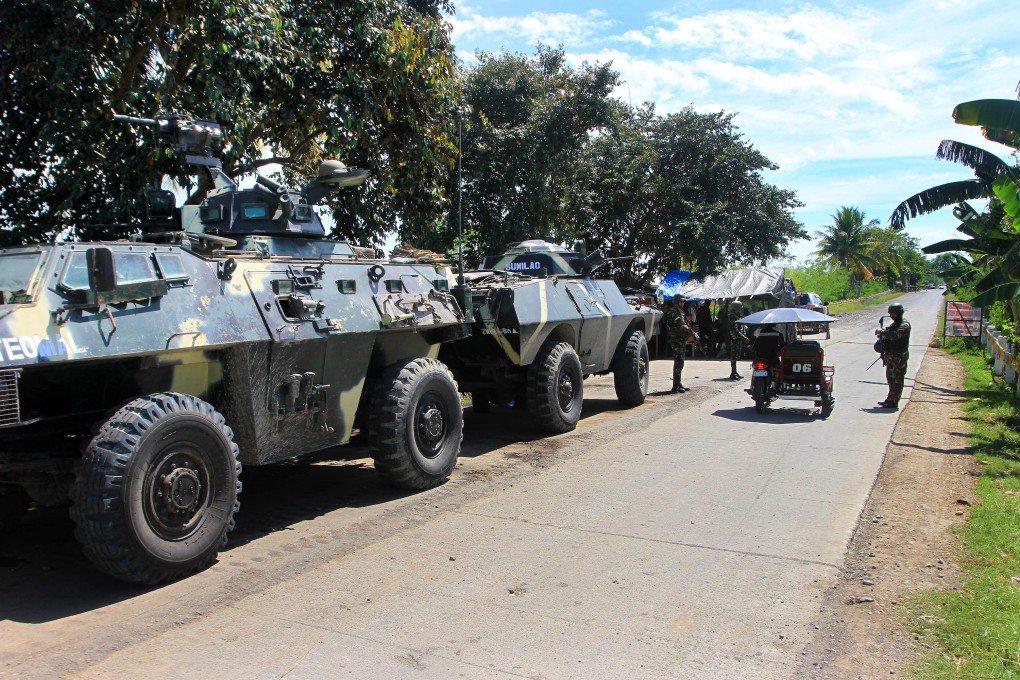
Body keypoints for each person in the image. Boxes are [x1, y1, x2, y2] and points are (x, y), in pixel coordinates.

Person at [876, 303, 911, 409]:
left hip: (899, 357)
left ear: (899, 313)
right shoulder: (894, 324)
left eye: (893, 314)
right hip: (891, 356)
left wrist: (882, 332)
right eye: (890, 313)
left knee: (897, 379)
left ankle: (894, 401)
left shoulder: (904, 325)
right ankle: (890, 399)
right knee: (890, 378)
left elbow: (895, 335)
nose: (891, 316)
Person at [665, 295, 698, 393]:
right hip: (676, 339)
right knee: (678, 361)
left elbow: (686, 324)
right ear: (676, 302)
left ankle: (678, 383)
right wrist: (692, 333)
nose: (683, 303)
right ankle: (675, 386)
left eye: (683, 302)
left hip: (681, 339)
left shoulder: (680, 312)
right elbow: (682, 325)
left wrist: (693, 333)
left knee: (680, 362)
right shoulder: (673, 311)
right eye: (681, 301)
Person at [726, 299, 750, 380]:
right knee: (734, 356)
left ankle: (735, 372)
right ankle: (733, 373)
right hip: (734, 338)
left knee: (736, 356)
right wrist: (743, 337)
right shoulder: (732, 316)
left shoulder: (736, 315)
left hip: (736, 337)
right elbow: (735, 329)